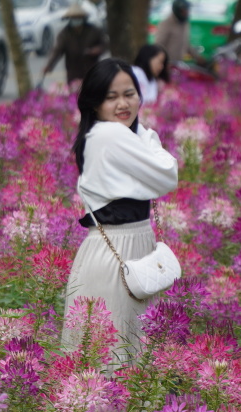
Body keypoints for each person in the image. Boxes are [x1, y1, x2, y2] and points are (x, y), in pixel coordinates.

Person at [62, 58, 179, 365]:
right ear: (94, 102)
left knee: (122, 360)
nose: (123, 104)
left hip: (129, 250)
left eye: (129, 94)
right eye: (110, 97)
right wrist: (150, 138)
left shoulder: (113, 135)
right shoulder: (109, 135)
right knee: (114, 364)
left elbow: (156, 178)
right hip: (116, 257)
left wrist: (142, 139)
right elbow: (167, 175)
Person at [42, 4, 108, 86]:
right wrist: (49, 65)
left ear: (83, 18)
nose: (75, 20)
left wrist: (96, 50)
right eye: (73, 18)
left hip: (92, 70)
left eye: (78, 18)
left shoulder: (94, 31)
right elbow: (57, 51)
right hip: (73, 72)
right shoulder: (64, 34)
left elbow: (104, 45)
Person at [154, 0, 205, 65]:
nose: (187, 13)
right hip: (168, 64)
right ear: (177, 11)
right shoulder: (166, 24)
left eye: (187, 10)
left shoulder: (185, 23)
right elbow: (158, 46)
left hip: (179, 63)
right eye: (184, 11)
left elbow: (186, 43)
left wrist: (197, 57)